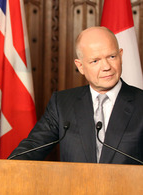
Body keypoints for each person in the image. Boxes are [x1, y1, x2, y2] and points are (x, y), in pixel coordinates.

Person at [9, 26, 143, 165]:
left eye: (112, 57)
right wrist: (5, 169)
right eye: (95, 61)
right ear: (80, 66)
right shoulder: (61, 104)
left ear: (121, 56)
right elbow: (31, 149)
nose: (106, 67)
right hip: (75, 186)